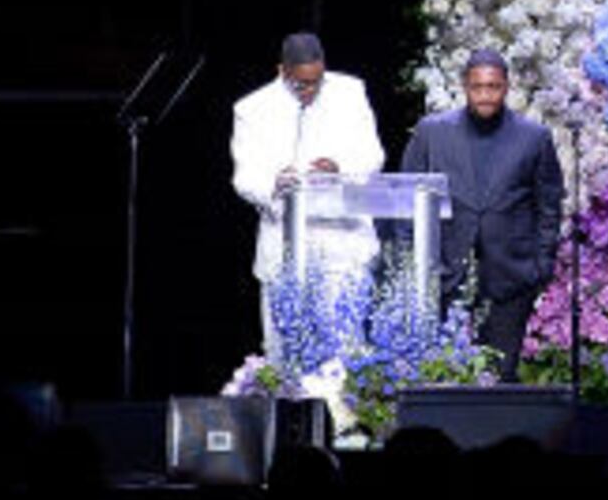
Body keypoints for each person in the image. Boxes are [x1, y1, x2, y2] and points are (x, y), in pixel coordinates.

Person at [400, 50, 566, 372]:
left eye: (493, 87)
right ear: (465, 86)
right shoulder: (432, 132)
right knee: (441, 375)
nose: (485, 95)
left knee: (500, 376)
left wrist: (540, 266)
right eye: (478, 87)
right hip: (445, 273)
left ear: (506, 88)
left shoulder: (534, 137)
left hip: (510, 275)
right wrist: (412, 263)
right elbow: (408, 198)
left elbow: (548, 204)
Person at [228, 31, 384, 335]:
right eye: (301, 83)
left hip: (344, 246)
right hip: (284, 245)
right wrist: (274, 183)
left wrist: (340, 168)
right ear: (282, 71)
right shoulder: (251, 109)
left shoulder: (351, 93)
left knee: (345, 353)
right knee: (284, 355)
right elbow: (245, 176)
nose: (310, 90)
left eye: (317, 81)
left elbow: (372, 155)